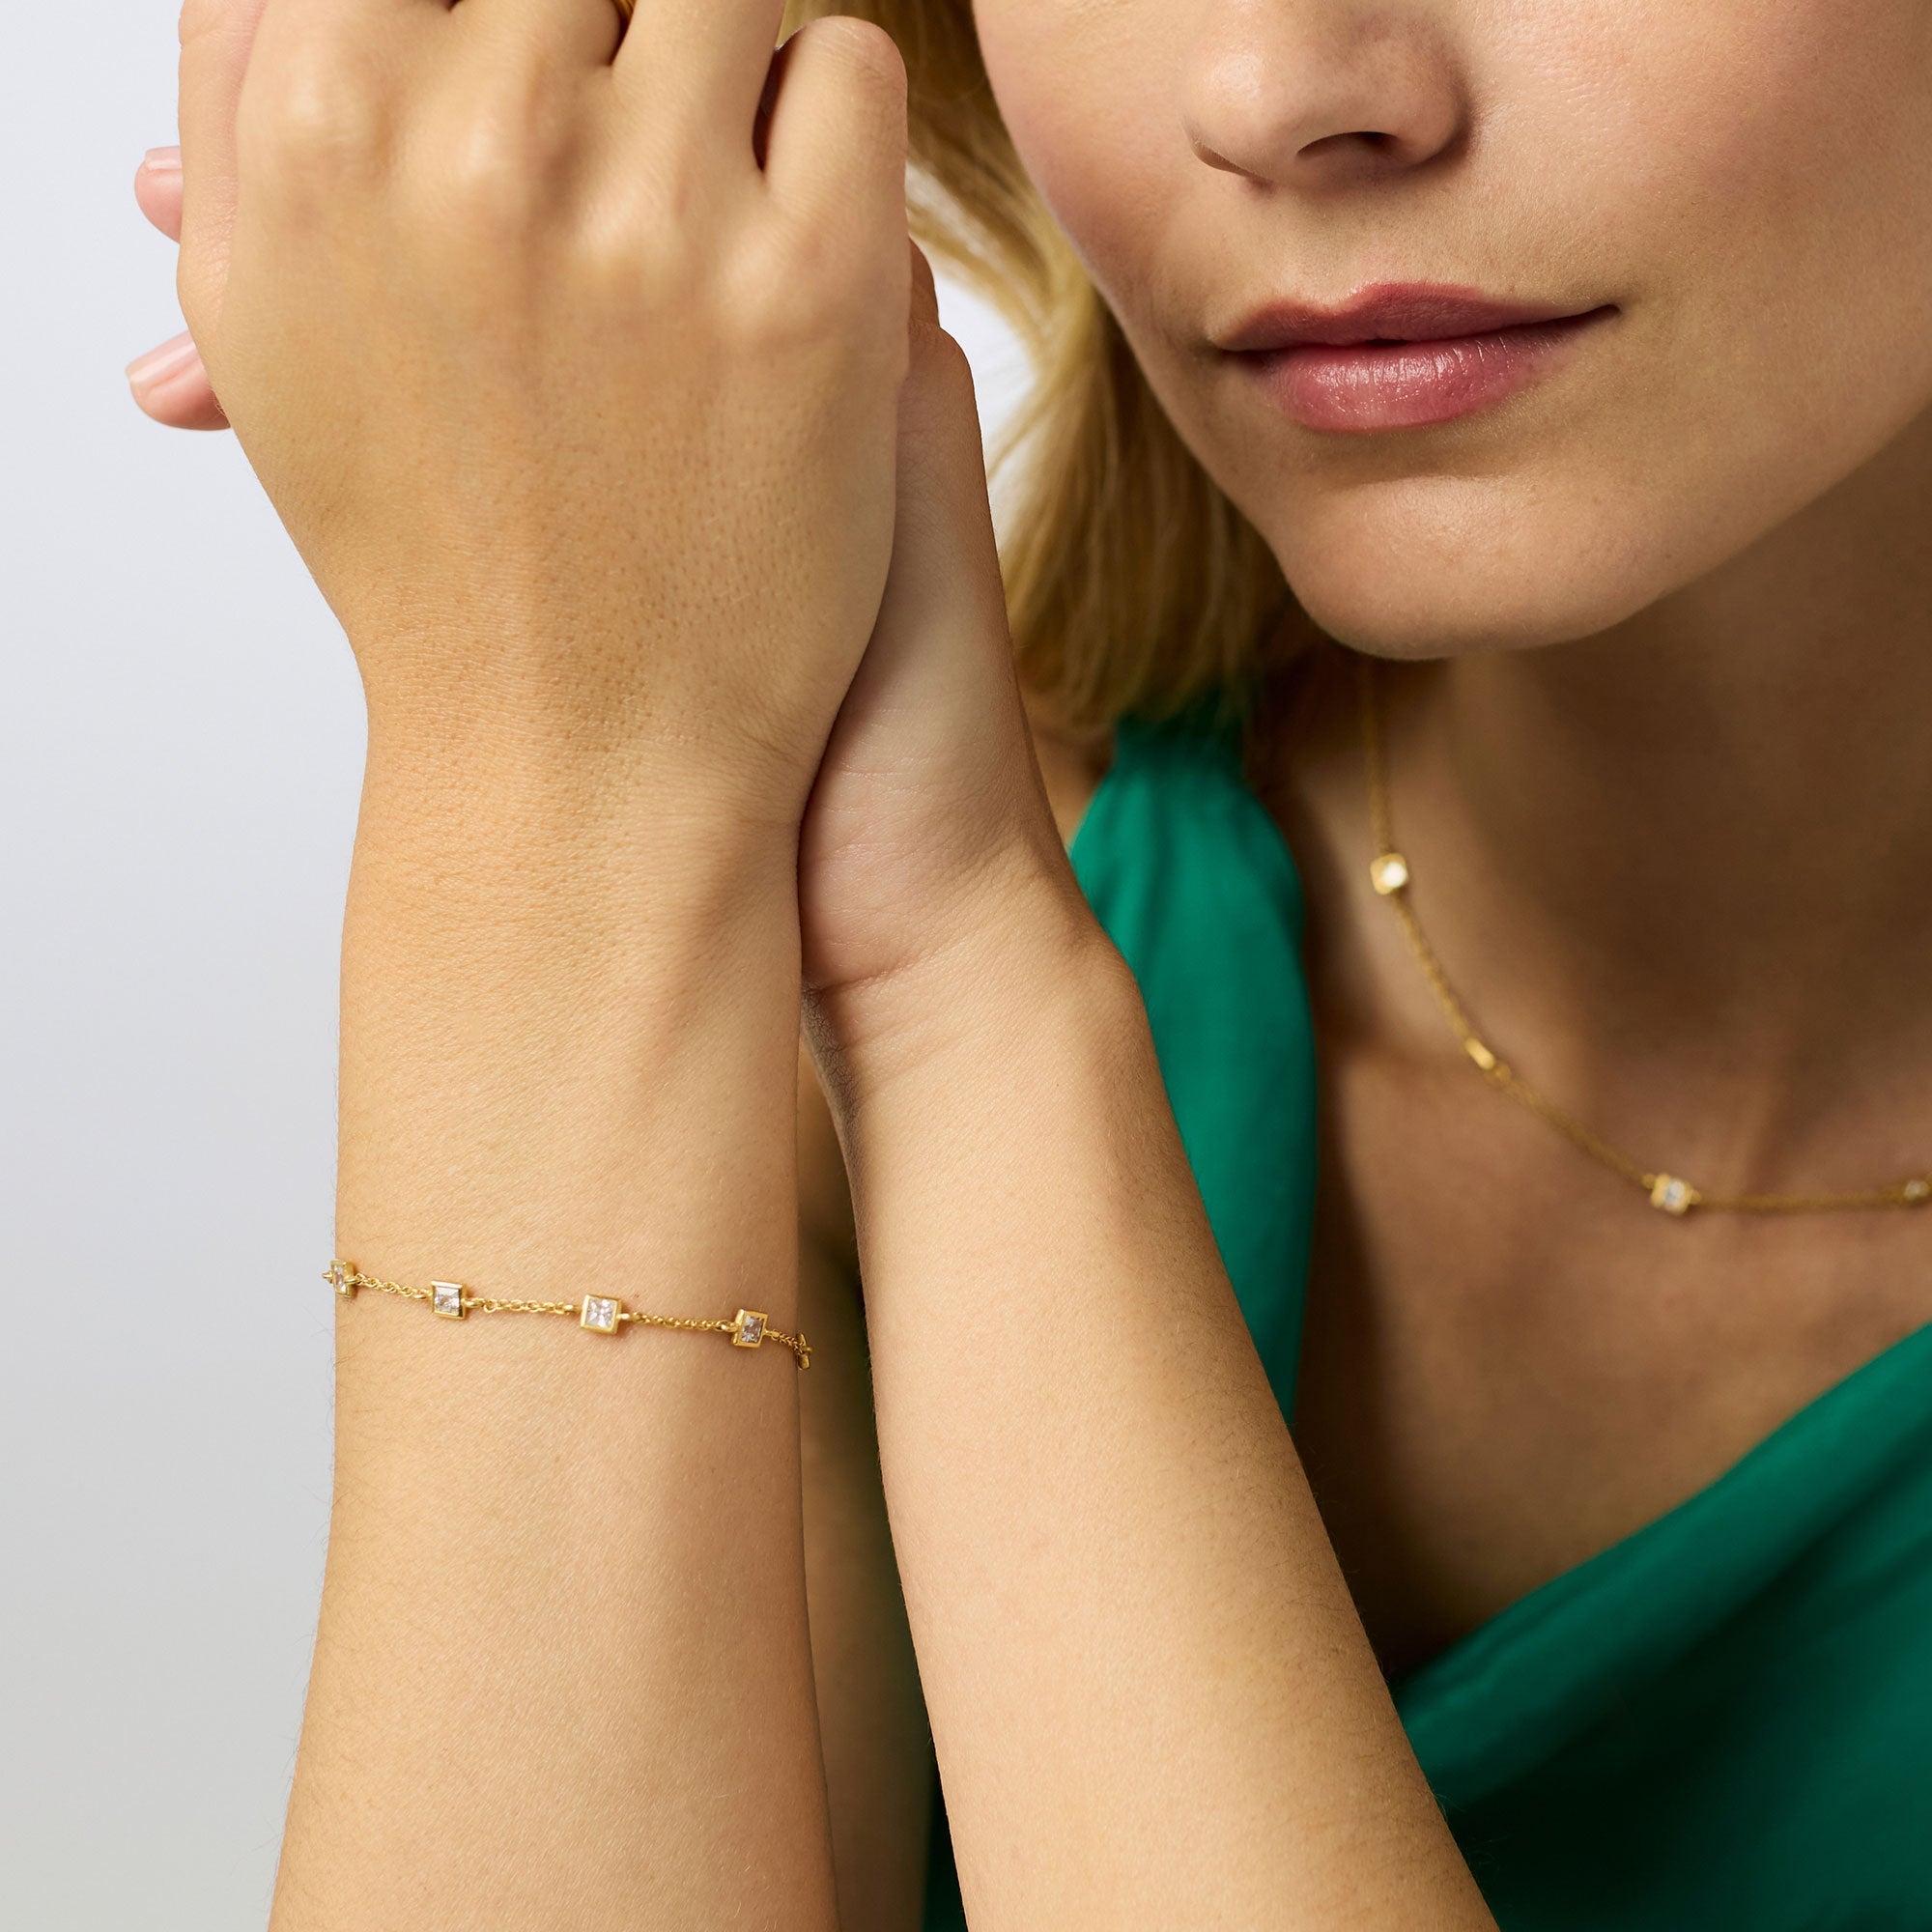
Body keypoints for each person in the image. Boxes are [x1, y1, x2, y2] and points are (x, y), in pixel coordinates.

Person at [127, 0, 1932, 1925]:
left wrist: (963, 1004)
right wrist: (557, 784)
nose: (1282, 91)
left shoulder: (936, 931)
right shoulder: (880, 921)